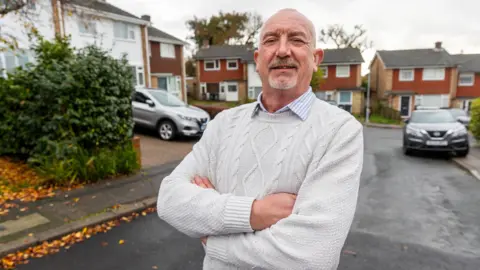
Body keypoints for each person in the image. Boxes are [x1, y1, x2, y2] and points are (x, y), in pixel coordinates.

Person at [156, 8, 364, 270]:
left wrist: (215, 241)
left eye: (297, 40)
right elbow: (169, 200)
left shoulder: (340, 130)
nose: (282, 50)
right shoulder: (224, 123)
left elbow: (313, 254)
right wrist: (254, 213)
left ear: (316, 58)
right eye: (270, 40)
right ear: (258, 58)